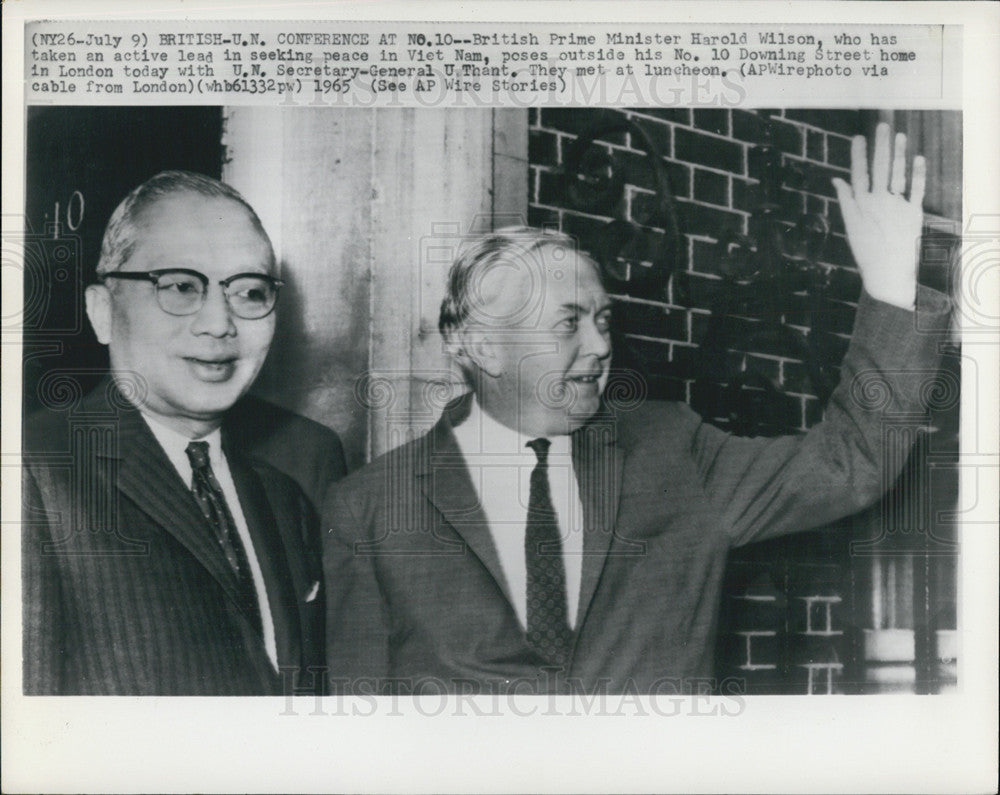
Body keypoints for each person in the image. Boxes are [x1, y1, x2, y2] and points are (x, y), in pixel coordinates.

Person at [323, 124, 952, 695]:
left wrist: (891, 285)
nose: (600, 346)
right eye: (567, 323)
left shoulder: (674, 450)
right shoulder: (369, 506)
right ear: (484, 345)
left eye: (602, 321)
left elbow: (852, 464)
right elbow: (360, 729)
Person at [22, 171, 326, 695]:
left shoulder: (282, 496)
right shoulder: (34, 472)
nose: (219, 323)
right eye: (182, 287)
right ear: (102, 311)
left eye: (249, 292)